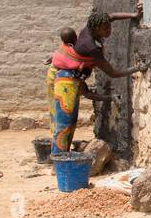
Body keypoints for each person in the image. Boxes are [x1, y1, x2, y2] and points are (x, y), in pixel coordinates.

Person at [47, 8, 145, 152]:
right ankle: (59, 160)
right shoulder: (90, 47)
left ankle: (62, 155)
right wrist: (137, 68)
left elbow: (112, 15)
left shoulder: (92, 26)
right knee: (65, 122)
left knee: (70, 120)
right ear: (96, 28)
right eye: (105, 28)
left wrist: (134, 15)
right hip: (65, 81)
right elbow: (112, 73)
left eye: (109, 26)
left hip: (72, 76)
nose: (109, 30)